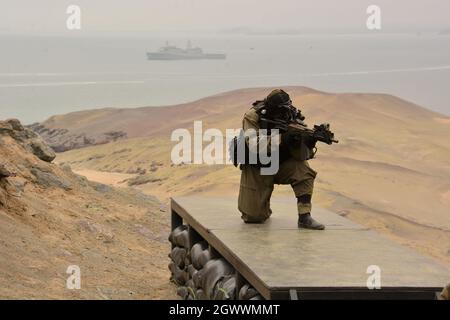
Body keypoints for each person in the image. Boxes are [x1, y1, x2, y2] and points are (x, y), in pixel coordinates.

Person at [237, 89, 325, 230]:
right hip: (257, 166)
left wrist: (306, 141)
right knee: (254, 218)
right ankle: (262, 208)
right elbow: (254, 144)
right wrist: (282, 139)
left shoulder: (292, 116)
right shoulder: (253, 116)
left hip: (282, 163)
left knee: (303, 171)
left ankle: (304, 216)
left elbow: (302, 155)